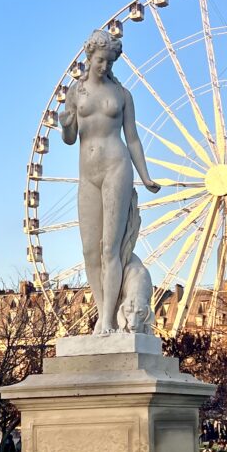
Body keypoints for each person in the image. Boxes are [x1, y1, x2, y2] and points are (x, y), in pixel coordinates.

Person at [59, 28, 160, 334]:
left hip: (117, 166)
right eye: (101, 60)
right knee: (90, 250)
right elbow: (69, 138)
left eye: (110, 62)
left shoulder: (122, 95)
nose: (105, 67)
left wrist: (145, 176)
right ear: (90, 57)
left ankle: (106, 318)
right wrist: (65, 124)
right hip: (87, 173)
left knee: (110, 249)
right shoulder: (76, 93)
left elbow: (133, 139)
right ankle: (102, 310)